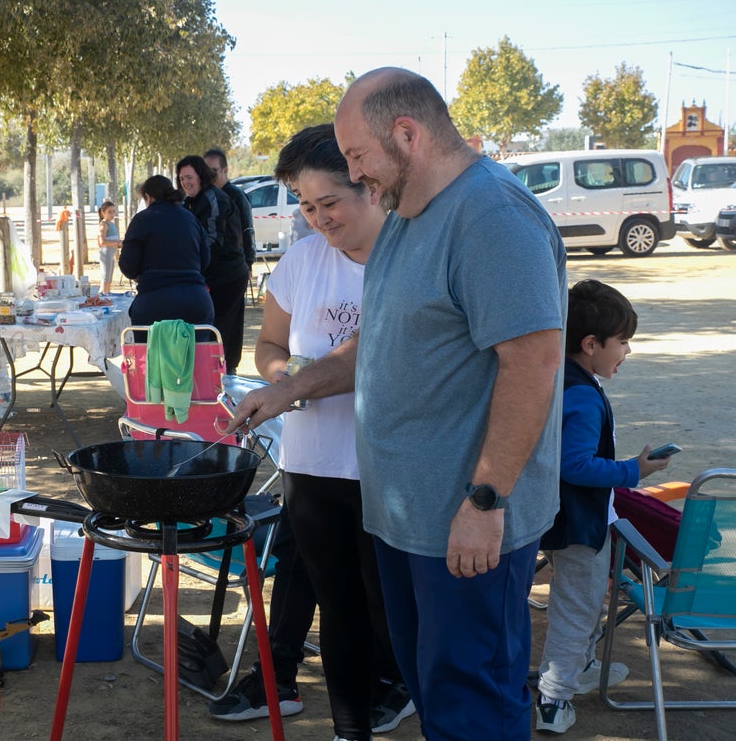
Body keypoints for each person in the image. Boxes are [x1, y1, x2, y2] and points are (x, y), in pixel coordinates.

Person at [227, 67, 566, 740]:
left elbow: (532, 363)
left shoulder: (491, 216)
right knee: (434, 691)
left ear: (406, 135)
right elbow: (372, 345)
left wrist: (486, 499)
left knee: (475, 701)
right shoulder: (412, 219)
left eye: (357, 158)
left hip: (466, 525)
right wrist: (287, 388)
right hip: (408, 518)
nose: (357, 175)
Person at [209, 126, 413, 737]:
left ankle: (399, 690)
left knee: (390, 610)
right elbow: (270, 345)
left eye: (330, 204)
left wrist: (291, 387)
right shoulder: (302, 260)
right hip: (313, 464)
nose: (318, 219)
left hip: (390, 468)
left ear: (371, 187)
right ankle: (349, 729)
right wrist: (280, 375)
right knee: (340, 610)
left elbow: (370, 352)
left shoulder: (409, 256)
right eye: (305, 204)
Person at [535, 279, 669, 734]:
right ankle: (554, 700)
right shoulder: (583, 395)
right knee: (577, 608)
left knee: (578, 605)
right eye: (623, 342)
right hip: (579, 525)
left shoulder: (558, 377)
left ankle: (582, 668)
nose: (627, 351)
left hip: (555, 519)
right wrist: (634, 471)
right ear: (591, 344)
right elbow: (575, 465)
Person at [176, 154, 249, 373]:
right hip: (209, 276)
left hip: (227, 276)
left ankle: (225, 380)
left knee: (222, 331)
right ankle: (212, 379)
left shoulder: (213, 198)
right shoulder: (189, 201)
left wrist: (188, 263)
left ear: (201, 176)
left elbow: (212, 239)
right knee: (210, 331)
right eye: (181, 179)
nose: (185, 183)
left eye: (189, 177)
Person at [118, 175, 214, 328]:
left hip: (153, 302)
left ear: (148, 197)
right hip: (196, 302)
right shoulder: (191, 218)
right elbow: (205, 260)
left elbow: (128, 266)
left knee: (150, 352)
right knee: (195, 352)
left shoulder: (141, 219)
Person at [203, 148, 257, 269]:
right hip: (210, 266)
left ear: (225, 170)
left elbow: (247, 229)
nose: (209, 175)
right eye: (205, 171)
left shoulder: (237, 196)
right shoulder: (204, 196)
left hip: (232, 266)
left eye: (213, 170)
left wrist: (249, 262)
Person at [95, 200, 121, 295]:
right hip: (105, 253)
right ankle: (104, 294)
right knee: (106, 276)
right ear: (103, 213)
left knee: (109, 276)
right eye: (109, 212)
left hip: (111, 254)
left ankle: (108, 292)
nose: (112, 214)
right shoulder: (104, 224)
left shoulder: (112, 224)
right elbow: (102, 242)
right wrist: (117, 242)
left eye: (113, 211)